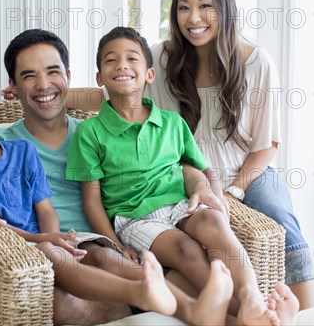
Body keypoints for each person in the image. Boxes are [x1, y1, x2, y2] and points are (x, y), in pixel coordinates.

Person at [25, 0, 314, 309]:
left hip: (246, 171)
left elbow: (266, 145)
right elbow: (111, 90)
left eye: (206, 6)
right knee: (189, 245)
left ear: (226, 9)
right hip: (176, 177)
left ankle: (308, 312)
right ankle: (236, 309)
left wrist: (233, 190)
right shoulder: (161, 58)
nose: (194, 17)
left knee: (281, 219)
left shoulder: (256, 63)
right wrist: (48, 91)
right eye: (183, 7)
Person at [0, 30, 236, 325]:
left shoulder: (97, 134)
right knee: (59, 300)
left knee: (120, 261)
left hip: (112, 248)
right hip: (47, 262)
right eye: (29, 76)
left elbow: (175, 165)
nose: (43, 84)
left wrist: (206, 185)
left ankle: (237, 313)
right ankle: (153, 304)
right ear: (13, 88)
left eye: (53, 72)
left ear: (68, 76)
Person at [66, 26, 288, 326]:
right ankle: (242, 316)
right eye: (110, 60)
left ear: (149, 75)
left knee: (214, 221)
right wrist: (115, 245)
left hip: (180, 204)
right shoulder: (89, 132)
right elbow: (91, 200)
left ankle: (252, 298)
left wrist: (211, 192)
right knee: (188, 250)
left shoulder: (172, 123)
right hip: (135, 217)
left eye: (132, 59)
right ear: (99, 79)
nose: (121, 65)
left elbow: (202, 168)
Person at [0, 67, 179, 318]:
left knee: (96, 252)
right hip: (11, 249)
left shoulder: (22, 151)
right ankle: (138, 294)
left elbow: (46, 208)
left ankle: (178, 300)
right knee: (53, 254)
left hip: (46, 238)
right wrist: (43, 241)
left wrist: (53, 236)